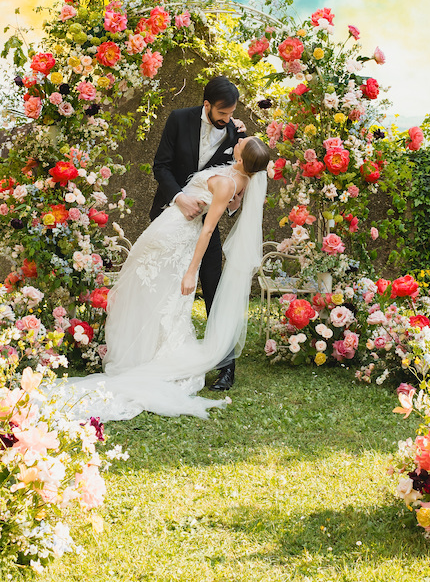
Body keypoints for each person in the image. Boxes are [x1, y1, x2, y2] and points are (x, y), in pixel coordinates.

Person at [59, 136, 271, 421]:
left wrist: (191, 271)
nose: (240, 138)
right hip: (169, 229)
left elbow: (208, 231)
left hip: (175, 237)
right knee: (148, 291)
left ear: (243, 159)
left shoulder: (226, 183)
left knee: (156, 294)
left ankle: (150, 357)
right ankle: (145, 352)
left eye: (243, 143)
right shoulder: (240, 176)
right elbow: (232, 196)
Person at [149, 77, 246, 390]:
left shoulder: (235, 132)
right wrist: (180, 197)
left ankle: (225, 366)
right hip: (170, 216)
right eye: (222, 113)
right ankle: (156, 355)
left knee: (215, 289)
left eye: (231, 114)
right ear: (207, 105)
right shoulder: (179, 119)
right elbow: (161, 166)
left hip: (207, 226)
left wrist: (232, 204)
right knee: (161, 287)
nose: (227, 120)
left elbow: (236, 181)